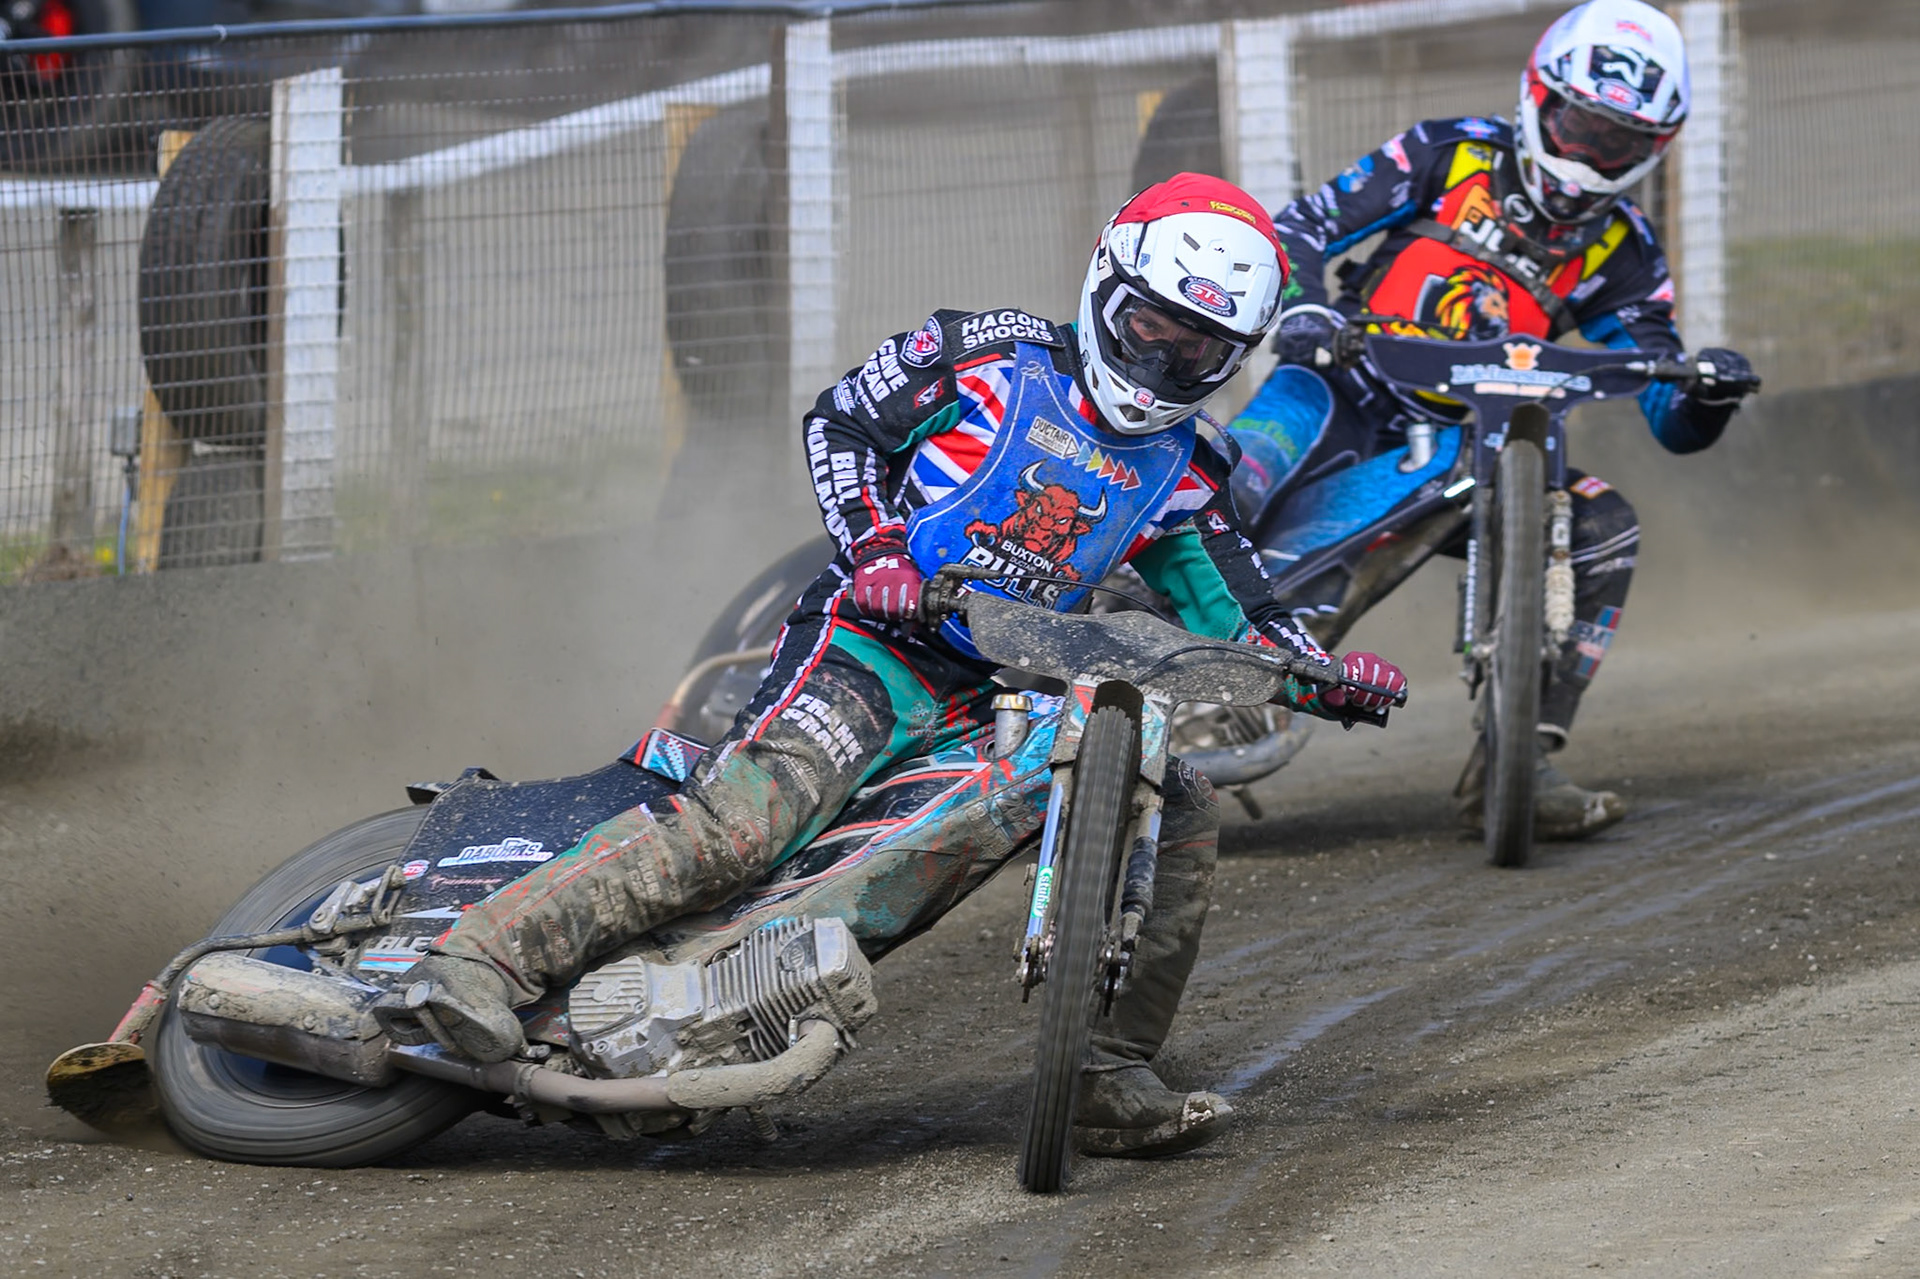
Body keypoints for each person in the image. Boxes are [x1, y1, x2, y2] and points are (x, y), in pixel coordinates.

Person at [382, 173, 1408, 1159]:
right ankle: (475, 960)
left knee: (1173, 799)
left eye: (1201, 354)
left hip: (1007, 689)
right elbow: (841, 423)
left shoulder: (1193, 470)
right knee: (752, 819)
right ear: (1107, 287)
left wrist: (1329, 676)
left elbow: (1246, 616)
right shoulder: (982, 356)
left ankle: (1103, 1074)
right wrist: (875, 550)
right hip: (872, 640)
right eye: (1153, 331)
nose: (1167, 366)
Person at [1230, 0, 1756, 840]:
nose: (1589, 157)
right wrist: (1305, 310)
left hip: (1486, 438)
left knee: (1606, 526)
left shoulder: (1623, 249)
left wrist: (1708, 394)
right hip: (1346, 384)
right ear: (1538, 97)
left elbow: (1666, 404)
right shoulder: (1449, 153)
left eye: (1616, 142)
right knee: (1237, 470)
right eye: (1580, 126)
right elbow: (1302, 226)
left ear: (1652, 147)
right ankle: (1137, 649)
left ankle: (1520, 760)